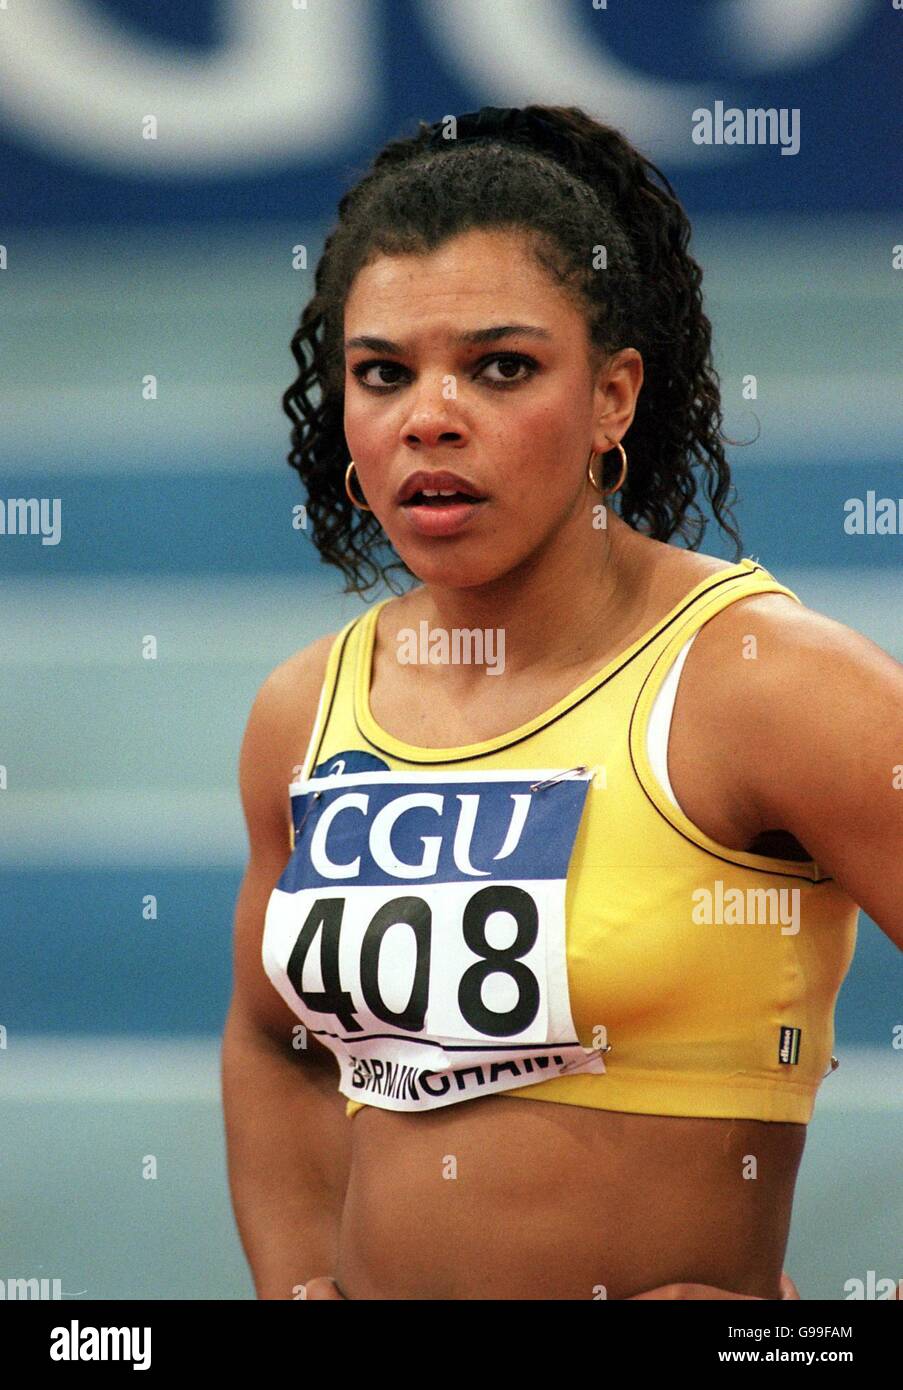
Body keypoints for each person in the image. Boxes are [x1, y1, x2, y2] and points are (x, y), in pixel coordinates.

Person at [221, 105, 903, 1300]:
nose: (430, 415)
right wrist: (290, 1288)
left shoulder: (770, 688)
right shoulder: (305, 712)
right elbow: (275, 1045)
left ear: (613, 396)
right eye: (383, 372)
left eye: (501, 366)